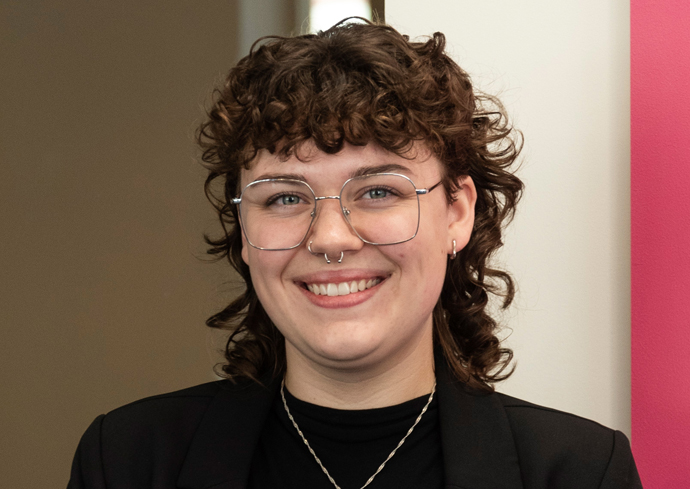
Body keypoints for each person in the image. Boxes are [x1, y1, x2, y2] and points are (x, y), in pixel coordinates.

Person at [67, 19, 642, 489]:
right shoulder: (126, 462)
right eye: (286, 197)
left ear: (457, 212)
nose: (331, 238)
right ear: (244, 229)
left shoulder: (580, 472)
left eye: (377, 191)